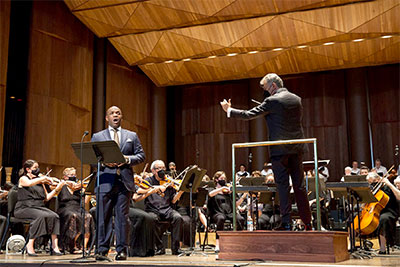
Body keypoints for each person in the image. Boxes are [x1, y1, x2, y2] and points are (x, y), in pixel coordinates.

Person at [220, 73, 312, 231]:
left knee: (282, 186)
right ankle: (308, 223)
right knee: (299, 187)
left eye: (267, 88)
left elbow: (249, 114)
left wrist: (229, 110)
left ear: (274, 86)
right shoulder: (296, 99)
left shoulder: (272, 100)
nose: (267, 92)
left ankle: (287, 224)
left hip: (280, 150)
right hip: (297, 147)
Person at [91, 106, 145, 261]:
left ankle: (122, 250)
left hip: (124, 181)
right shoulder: (97, 136)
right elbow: (93, 159)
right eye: (112, 113)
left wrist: (126, 159)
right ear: (107, 118)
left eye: (118, 113)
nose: (115, 115)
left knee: (122, 218)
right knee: (103, 217)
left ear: (121, 117)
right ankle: (101, 250)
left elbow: (141, 156)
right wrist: (105, 163)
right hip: (105, 180)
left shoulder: (132, 135)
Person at [14, 159, 65, 256]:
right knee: (40, 216)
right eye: (35, 168)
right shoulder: (23, 179)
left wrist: (57, 188)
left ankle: (55, 246)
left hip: (38, 207)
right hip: (24, 208)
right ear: (28, 169)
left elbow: (46, 198)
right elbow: (29, 184)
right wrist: (43, 178)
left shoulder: (40, 182)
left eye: (38, 168)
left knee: (54, 216)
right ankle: (30, 245)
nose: (38, 170)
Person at [144, 160, 184, 255]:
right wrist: (155, 188)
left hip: (167, 209)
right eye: (158, 168)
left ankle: (176, 248)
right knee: (152, 219)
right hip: (152, 209)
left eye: (163, 168)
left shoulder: (168, 182)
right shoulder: (148, 181)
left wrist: (180, 191)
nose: (161, 170)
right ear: (153, 171)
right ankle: (159, 247)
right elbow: (141, 192)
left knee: (178, 217)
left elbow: (173, 200)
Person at [57, 167, 94, 254]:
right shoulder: (61, 185)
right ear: (65, 177)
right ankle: (72, 245)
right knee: (73, 216)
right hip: (65, 208)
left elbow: (85, 202)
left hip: (78, 208)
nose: (74, 176)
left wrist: (86, 191)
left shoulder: (79, 188)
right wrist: (66, 183)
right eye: (71, 175)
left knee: (88, 216)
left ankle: (84, 247)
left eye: (74, 175)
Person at [208, 171, 246, 252]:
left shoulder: (228, 192)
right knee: (221, 218)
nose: (224, 180)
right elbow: (210, 194)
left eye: (224, 179)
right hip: (217, 213)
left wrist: (243, 196)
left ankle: (239, 242)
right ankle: (218, 244)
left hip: (229, 213)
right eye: (221, 178)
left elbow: (235, 205)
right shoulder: (212, 190)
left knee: (240, 219)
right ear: (216, 180)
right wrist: (221, 188)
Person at [366, 173, 400, 254]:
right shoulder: (373, 189)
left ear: (378, 179)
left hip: (390, 211)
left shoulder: (387, 187)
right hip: (376, 211)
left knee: (383, 219)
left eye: (374, 182)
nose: (372, 184)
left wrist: (389, 184)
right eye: (370, 183)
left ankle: (383, 247)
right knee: (353, 218)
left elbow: (399, 197)